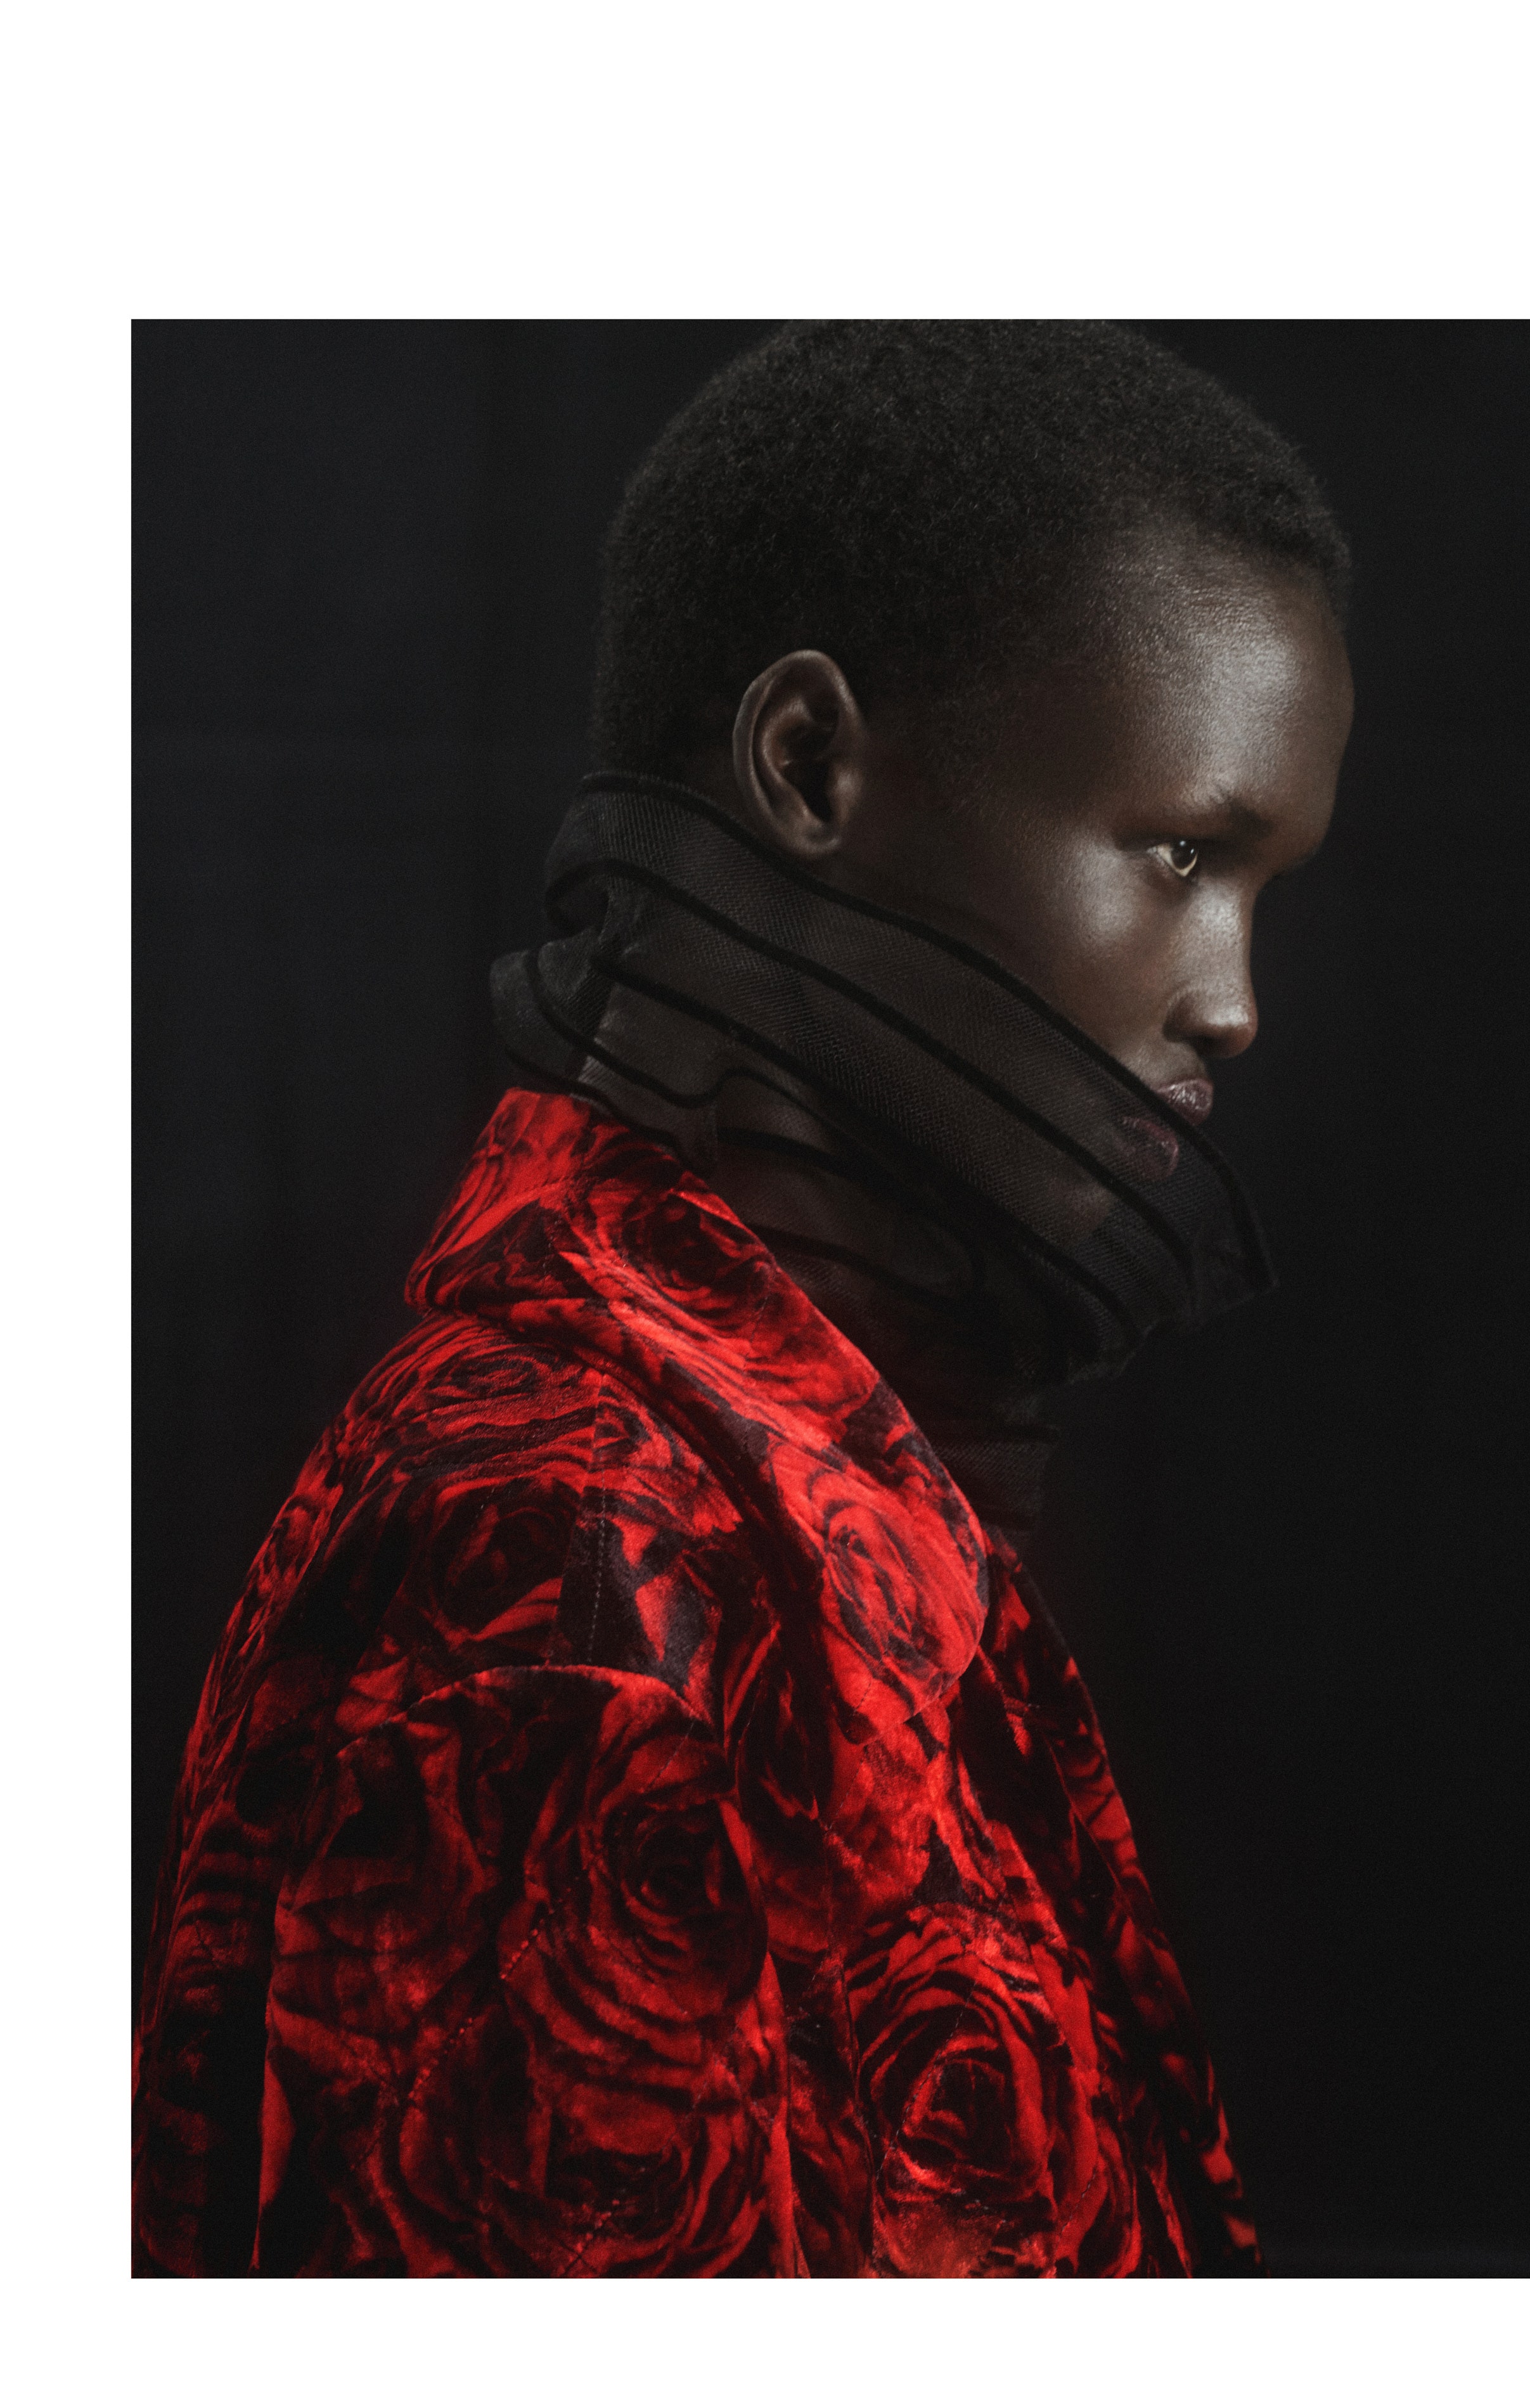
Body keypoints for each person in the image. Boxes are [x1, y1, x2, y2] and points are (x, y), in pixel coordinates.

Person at [133, 322, 1354, 2277]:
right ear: (805, 765)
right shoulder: (572, 1547)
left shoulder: (807, 1472)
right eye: (1177, 853)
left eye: (1256, 886)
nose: (1230, 1001)